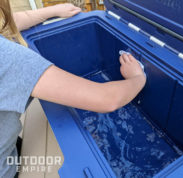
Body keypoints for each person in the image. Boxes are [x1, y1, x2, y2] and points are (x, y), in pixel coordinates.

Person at [0, 1, 146, 177]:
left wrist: (53, 10)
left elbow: (7, 23)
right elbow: (106, 99)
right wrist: (138, 78)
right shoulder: (9, 57)